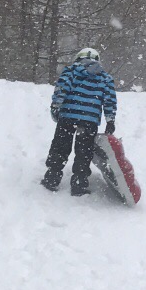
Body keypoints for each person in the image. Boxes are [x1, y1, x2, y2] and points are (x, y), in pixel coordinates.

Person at [42, 47, 118, 196]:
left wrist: (56, 107)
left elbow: (61, 89)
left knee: (60, 147)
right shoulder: (105, 78)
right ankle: (79, 183)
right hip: (89, 120)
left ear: (78, 58)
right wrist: (110, 120)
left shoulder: (71, 71)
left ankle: (52, 177)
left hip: (68, 116)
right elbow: (110, 100)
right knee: (84, 152)